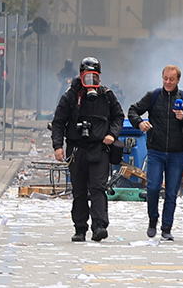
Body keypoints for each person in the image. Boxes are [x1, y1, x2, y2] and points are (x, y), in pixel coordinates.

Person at [50, 56, 123, 242]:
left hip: (100, 148)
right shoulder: (71, 96)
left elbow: (118, 117)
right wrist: (58, 146)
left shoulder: (106, 95)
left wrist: (112, 135)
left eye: (94, 77)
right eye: (87, 76)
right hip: (77, 149)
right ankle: (80, 228)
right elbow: (58, 122)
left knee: (98, 188)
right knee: (79, 190)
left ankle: (99, 226)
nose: (91, 81)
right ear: (81, 75)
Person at [128, 64, 183, 240]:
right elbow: (132, 110)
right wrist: (139, 123)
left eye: (172, 79)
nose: (168, 82)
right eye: (166, 79)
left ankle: (167, 227)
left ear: (178, 80)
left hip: (177, 153)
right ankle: (153, 220)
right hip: (156, 151)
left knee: (172, 192)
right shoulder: (153, 96)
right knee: (152, 187)